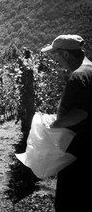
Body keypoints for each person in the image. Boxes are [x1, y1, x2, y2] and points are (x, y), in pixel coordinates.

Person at [41, 34, 92, 211]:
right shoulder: (89, 70)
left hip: (78, 151)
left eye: (56, 55)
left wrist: (55, 124)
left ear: (66, 54)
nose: (56, 61)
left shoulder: (78, 76)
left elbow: (79, 113)